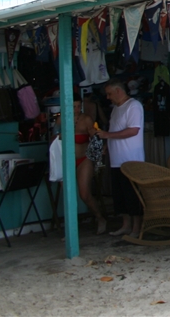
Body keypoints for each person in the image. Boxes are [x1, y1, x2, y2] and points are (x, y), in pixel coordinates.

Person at [97, 79, 144, 238]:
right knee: (120, 195)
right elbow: (115, 130)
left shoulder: (133, 106)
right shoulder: (116, 109)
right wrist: (107, 143)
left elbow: (133, 131)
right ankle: (126, 225)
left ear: (118, 91)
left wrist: (108, 135)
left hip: (130, 159)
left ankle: (136, 228)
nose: (108, 97)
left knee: (132, 194)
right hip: (117, 159)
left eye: (110, 93)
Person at [57, 94, 106, 234]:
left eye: (79, 106)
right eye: (74, 106)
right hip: (66, 160)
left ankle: (100, 217)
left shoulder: (86, 119)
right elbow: (53, 139)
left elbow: (94, 138)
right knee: (67, 195)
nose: (77, 109)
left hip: (83, 158)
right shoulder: (61, 120)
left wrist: (99, 146)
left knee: (84, 194)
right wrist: (59, 136)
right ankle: (71, 229)